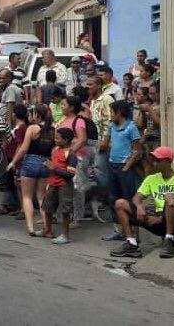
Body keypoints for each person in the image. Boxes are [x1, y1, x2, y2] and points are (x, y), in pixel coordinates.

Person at [110, 147, 174, 259]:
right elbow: (137, 197)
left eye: (158, 160)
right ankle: (131, 243)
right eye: (153, 160)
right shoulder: (151, 178)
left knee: (170, 198)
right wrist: (139, 207)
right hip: (153, 218)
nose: (154, 163)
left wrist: (160, 219)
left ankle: (169, 240)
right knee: (120, 203)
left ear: (168, 161)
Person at [99, 99, 143, 241]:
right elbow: (105, 144)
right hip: (112, 165)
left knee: (128, 199)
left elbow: (137, 150)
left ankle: (133, 231)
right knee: (113, 198)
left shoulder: (131, 127)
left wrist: (127, 166)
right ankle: (120, 230)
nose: (110, 115)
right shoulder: (112, 126)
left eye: (112, 112)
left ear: (119, 113)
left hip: (124, 167)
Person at [8, 103, 55, 235]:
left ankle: (30, 227)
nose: (29, 115)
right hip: (46, 163)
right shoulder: (52, 129)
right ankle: (47, 227)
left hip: (30, 162)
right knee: (41, 197)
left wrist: (13, 162)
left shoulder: (32, 128)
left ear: (37, 116)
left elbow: (23, 149)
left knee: (27, 197)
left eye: (32, 113)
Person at [40, 128, 79, 244]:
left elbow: (70, 174)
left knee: (65, 210)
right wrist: (47, 166)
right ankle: (47, 230)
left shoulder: (71, 154)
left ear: (66, 140)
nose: (55, 140)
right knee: (48, 207)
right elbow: (52, 165)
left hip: (64, 186)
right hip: (52, 184)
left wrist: (54, 169)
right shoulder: (55, 150)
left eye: (57, 138)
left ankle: (65, 235)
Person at [59, 96, 88, 228]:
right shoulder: (62, 120)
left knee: (77, 187)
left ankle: (77, 218)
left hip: (77, 158)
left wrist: (69, 154)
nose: (61, 107)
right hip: (62, 157)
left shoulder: (79, 121)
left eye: (64, 104)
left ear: (71, 107)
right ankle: (63, 215)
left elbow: (82, 139)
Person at [88, 76, 114, 214]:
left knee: (102, 172)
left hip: (106, 142)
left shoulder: (106, 99)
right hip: (96, 141)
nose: (88, 87)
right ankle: (107, 199)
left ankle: (110, 200)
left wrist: (106, 140)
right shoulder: (93, 102)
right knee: (100, 172)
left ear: (99, 85)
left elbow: (111, 120)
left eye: (91, 84)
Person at [0, 68, 24, 140]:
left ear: (9, 78)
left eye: (3, 78)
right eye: (0, 78)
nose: (0, 80)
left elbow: (10, 108)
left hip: (7, 124)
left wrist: (9, 128)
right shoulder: (8, 88)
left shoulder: (10, 89)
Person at [138, 82, 161, 153]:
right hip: (148, 138)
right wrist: (143, 112)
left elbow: (159, 124)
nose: (150, 96)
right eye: (149, 93)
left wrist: (149, 109)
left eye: (153, 94)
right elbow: (143, 125)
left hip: (158, 139)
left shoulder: (162, 106)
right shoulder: (151, 105)